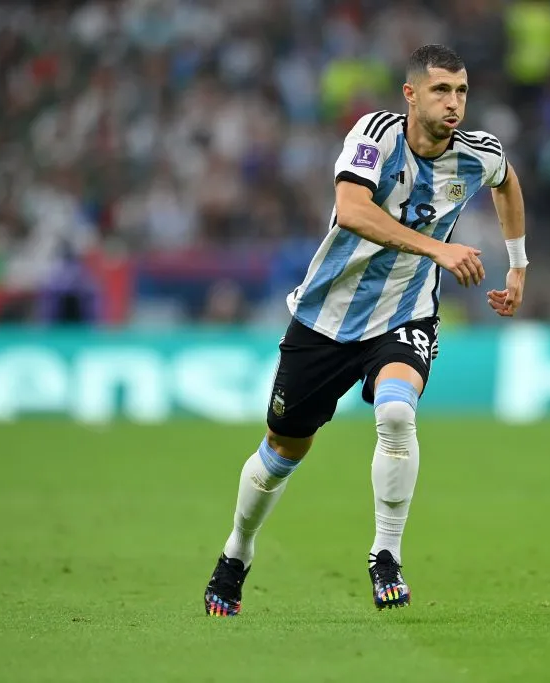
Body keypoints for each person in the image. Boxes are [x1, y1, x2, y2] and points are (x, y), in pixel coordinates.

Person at [203, 44, 529, 615]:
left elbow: (507, 183)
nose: (454, 104)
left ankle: (386, 554)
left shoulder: (479, 153)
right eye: (440, 91)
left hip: (405, 312)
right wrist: (440, 249)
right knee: (282, 448)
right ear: (410, 95)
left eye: (462, 92)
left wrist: (518, 263)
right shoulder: (374, 133)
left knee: (398, 414)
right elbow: (352, 210)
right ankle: (238, 550)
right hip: (325, 317)